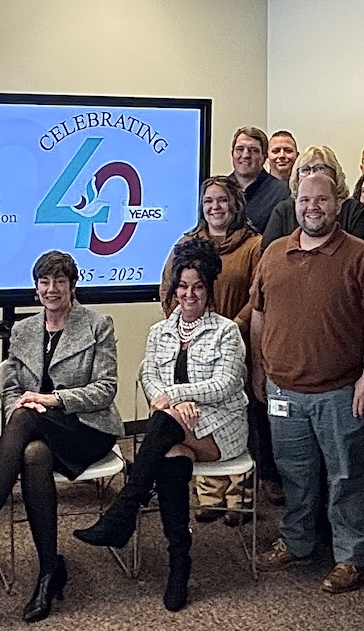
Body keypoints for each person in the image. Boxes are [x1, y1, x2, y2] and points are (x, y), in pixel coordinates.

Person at [0, 251, 118, 622]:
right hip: (38, 430)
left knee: (22, 419)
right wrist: (27, 406)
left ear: (72, 285)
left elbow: (106, 389)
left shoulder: (98, 325)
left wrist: (51, 400)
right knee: (33, 455)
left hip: (87, 427)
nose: (52, 289)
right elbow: (12, 387)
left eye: (60, 282)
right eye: (45, 282)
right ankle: (49, 571)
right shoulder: (24, 330)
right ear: (36, 288)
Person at [79, 241, 247, 612]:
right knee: (170, 459)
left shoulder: (226, 331)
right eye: (183, 286)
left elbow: (227, 383)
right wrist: (170, 401)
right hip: (176, 427)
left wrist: (174, 396)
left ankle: (125, 510)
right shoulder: (160, 331)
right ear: (173, 290)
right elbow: (148, 375)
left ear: (208, 291)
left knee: (162, 422)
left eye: (198, 287)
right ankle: (179, 563)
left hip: (221, 427)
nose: (189, 294)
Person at [249, 170, 364, 595]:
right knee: (295, 475)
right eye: (305, 199)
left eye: (322, 200)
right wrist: (259, 368)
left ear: (339, 203)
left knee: (346, 477)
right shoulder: (273, 252)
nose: (313, 207)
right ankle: (297, 541)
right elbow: (258, 313)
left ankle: (351, 556)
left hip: (342, 392)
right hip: (282, 391)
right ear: (295, 202)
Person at [161, 176, 267, 522]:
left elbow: (259, 295)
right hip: (194, 346)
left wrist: (232, 325)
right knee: (197, 414)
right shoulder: (187, 243)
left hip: (241, 338)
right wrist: (186, 327)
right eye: (208, 201)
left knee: (235, 416)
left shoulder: (254, 244)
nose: (215, 207)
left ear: (235, 205)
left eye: (222, 200)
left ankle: (239, 496)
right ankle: (210, 495)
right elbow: (169, 288)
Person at [262, 147, 364, 247]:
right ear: (296, 176)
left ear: (334, 173)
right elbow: (269, 249)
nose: (312, 174)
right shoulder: (283, 210)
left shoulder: (353, 210)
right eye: (305, 170)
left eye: (319, 168)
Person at [227, 126, 291, 232]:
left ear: (265, 157)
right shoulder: (219, 190)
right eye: (240, 149)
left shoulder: (282, 193)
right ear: (232, 154)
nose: (246, 155)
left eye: (253, 150)